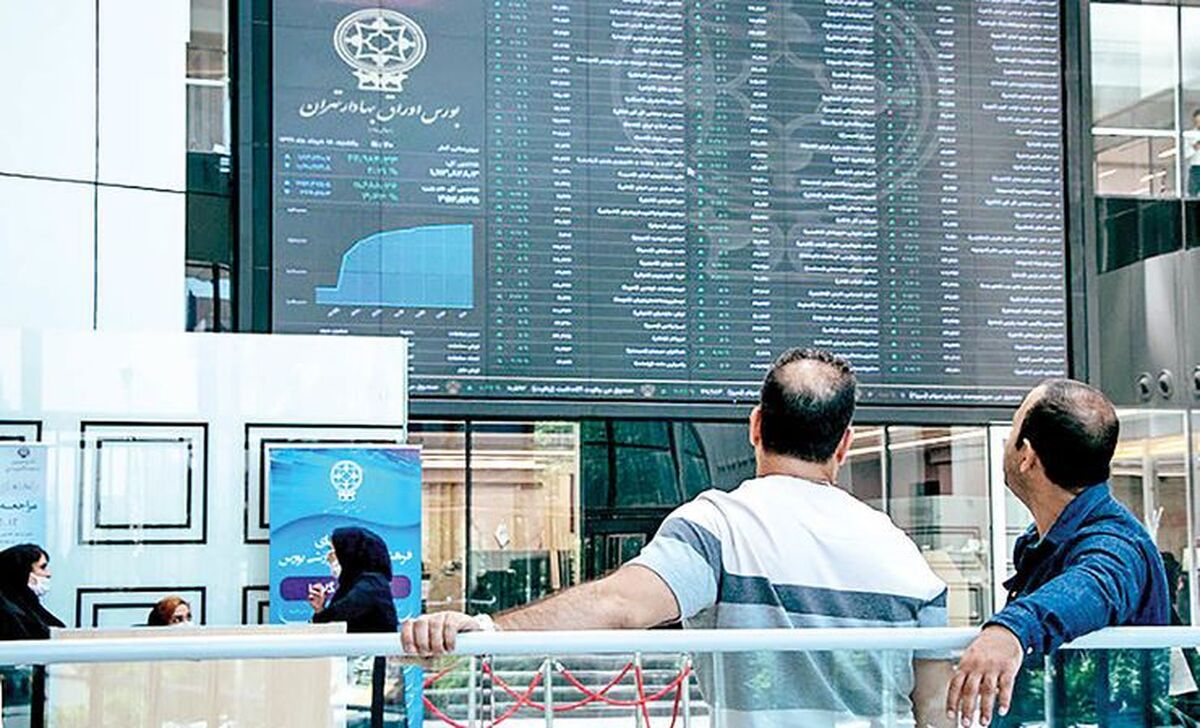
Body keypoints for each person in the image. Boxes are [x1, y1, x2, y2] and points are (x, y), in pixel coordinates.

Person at [403, 348, 953, 727]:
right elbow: (935, 710)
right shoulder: (903, 555)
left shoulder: (720, 526)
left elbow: (619, 605)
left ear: (756, 426)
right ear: (844, 444)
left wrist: (487, 630)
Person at [947, 380, 1170, 726]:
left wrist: (1011, 630)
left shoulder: (1118, 545)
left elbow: (1093, 585)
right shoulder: (1044, 542)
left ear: (1027, 456)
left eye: (1012, 428)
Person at [308, 526, 397, 633]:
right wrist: (319, 609)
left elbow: (337, 616)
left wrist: (322, 615)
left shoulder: (371, 586)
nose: (329, 557)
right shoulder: (351, 585)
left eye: (335, 551)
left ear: (349, 552)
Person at [0, 544, 64, 640]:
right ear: (23, 572)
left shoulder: (28, 604)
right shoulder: (7, 614)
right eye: (42, 567)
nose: (48, 574)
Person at [1185, 109, 1200, 197]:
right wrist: (1194, 148)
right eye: (1198, 122)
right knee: (1192, 195)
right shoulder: (1190, 135)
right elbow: (1184, 154)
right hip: (1196, 168)